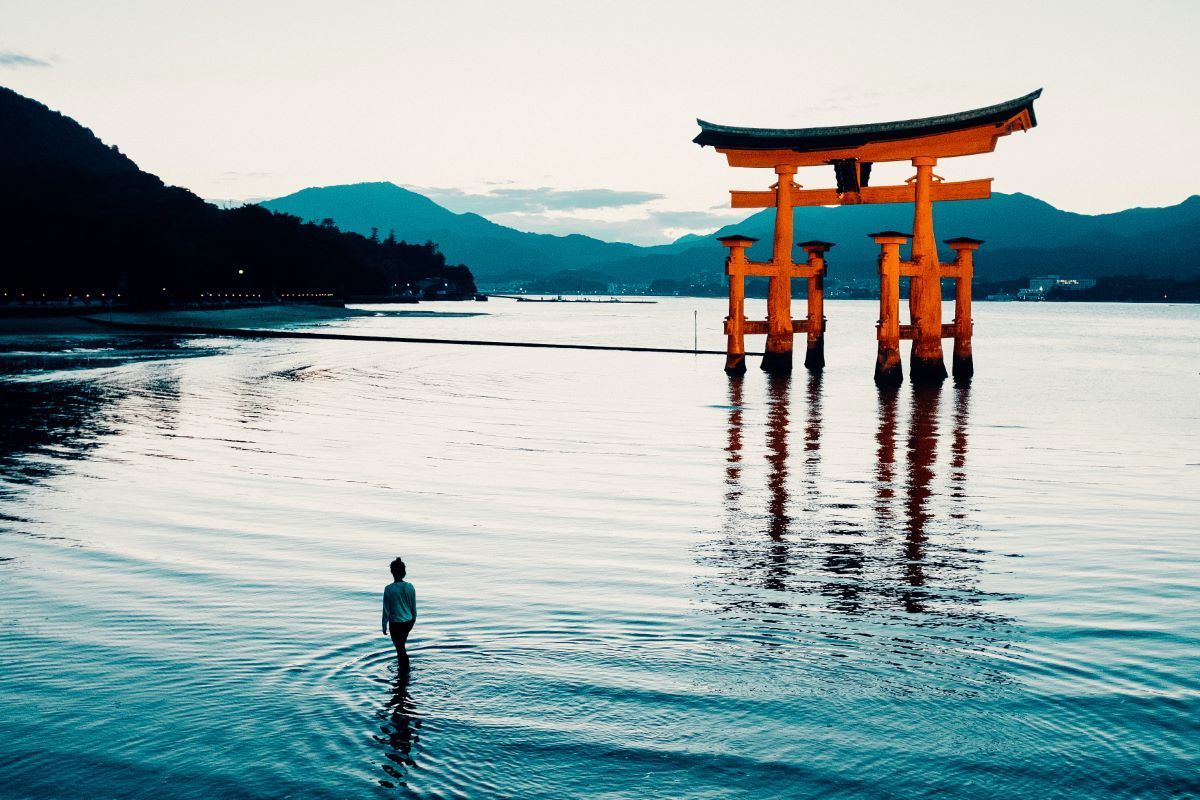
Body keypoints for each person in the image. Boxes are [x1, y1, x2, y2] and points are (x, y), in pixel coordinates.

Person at [381, 557, 417, 666]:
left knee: (400, 649)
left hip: (395, 624)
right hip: (408, 622)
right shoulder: (410, 586)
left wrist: (384, 626)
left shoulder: (389, 589)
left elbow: (386, 610)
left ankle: (404, 674)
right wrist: (412, 622)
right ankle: (403, 674)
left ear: (392, 572)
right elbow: (413, 608)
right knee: (401, 647)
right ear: (404, 572)